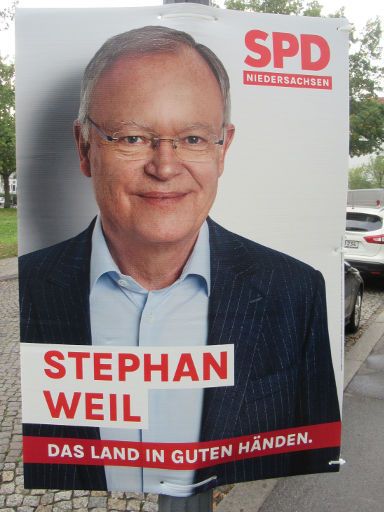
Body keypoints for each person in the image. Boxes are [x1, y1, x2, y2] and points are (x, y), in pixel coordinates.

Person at [20, 26, 340, 495]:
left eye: (192, 138)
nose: (165, 167)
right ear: (84, 147)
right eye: (132, 137)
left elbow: (314, 455)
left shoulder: (295, 291)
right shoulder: (23, 291)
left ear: (223, 148)